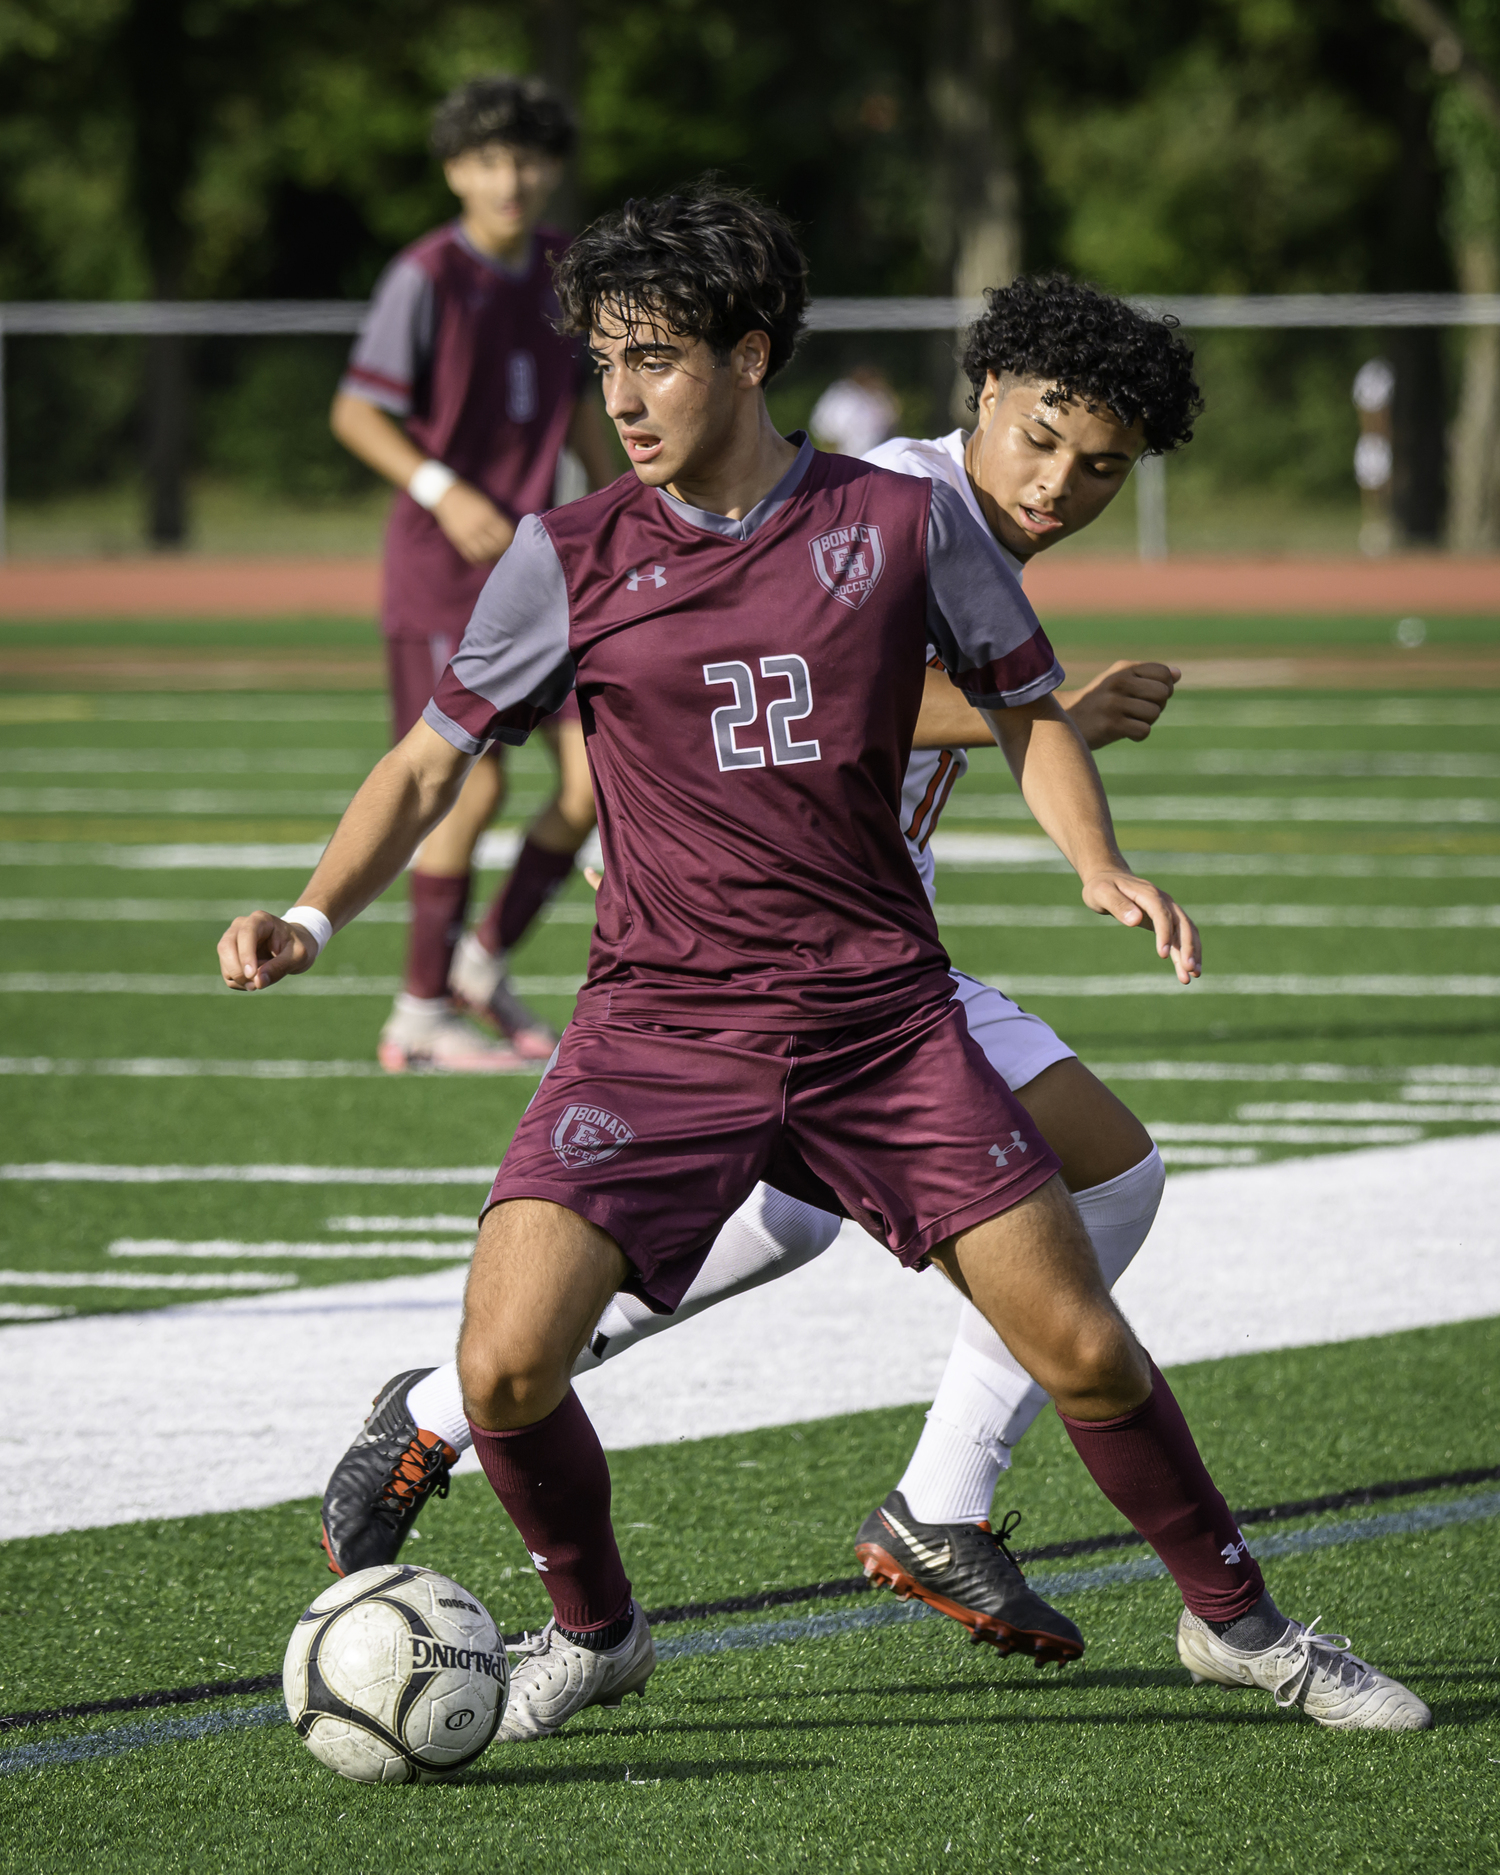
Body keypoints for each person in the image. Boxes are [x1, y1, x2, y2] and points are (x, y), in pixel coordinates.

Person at [221, 189, 1429, 1744]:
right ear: (986, 402)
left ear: (750, 353)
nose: (626, 396)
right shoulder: (575, 550)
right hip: (663, 1010)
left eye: (654, 360)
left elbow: (1018, 705)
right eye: (608, 365)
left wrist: (1099, 859)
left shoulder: (897, 520)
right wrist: (312, 913)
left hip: (875, 1006)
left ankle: (1242, 1628)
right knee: (511, 1361)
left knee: (1077, 1326)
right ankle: (595, 1613)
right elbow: (432, 753)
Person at [318, 274, 1188, 1660]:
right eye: (1041, 436)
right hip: (750, 935)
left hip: (854, 942)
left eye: (1101, 468)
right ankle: (936, 1504)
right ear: (983, 400)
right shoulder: (890, 495)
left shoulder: (940, 513)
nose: (1060, 482)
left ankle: (438, 1407)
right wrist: (1052, 712)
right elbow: (832, 672)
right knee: (1113, 1172)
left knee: (794, 1218)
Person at [331, 72, 616, 1070]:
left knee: (603, 779)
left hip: (552, 571)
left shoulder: (563, 267)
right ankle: (417, 1010)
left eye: (529, 157)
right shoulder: (426, 275)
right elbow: (356, 413)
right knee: (469, 789)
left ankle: (482, 963)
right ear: (455, 169)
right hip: (447, 575)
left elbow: (590, 409)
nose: (511, 177)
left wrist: (641, 517)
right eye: (490, 158)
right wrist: (445, 489)